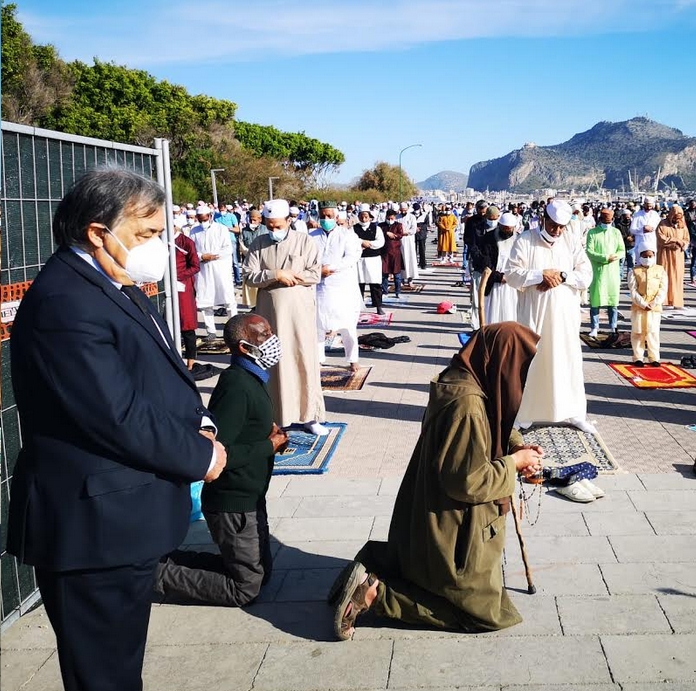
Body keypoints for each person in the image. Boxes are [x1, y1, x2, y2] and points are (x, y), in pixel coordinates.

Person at [6, 168, 226, 691]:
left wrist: (202, 422)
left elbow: (163, 371)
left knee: (121, 663)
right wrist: (199, 457)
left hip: (123, 519)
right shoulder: (66, 302)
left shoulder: (118, 284)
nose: (156, 247)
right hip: (91, 527)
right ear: (98, 233)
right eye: (145, 235)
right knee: (104, 675)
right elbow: (114, 414)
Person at [328, 324, 544, 639]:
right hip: (455, 525)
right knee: (484, 614)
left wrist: (515, 445)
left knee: (466, 590)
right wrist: (514, 463)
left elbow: (494, 418)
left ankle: (378, 571)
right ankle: (374, 595)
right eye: (517, 364)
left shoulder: (464, 376)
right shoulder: (466, 404)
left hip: (429, 508)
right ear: (500, 359)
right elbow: (468, 481)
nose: (518, 374)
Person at [155, 314, 288, 606]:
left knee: (261, 574)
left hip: (252, 497)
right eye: (264, 335)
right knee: (246, 589)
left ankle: (160, 562)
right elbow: (218, 452)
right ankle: (150, 576)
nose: (273, 340)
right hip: (233, 503)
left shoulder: (253, 378)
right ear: (243, 347)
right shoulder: (236, 386)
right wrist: (268, 445)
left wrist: (267, 436)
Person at [505, 200, 594, 434]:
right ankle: (525, 413)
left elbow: (586, 276)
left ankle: (574, 412)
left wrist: (562, 276)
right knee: (532, 360)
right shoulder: (525, 239)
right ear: (544, 219)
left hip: (564, 317)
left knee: (568, 360)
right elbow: (512, 275)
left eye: (561, 227)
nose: (556, 231)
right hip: (534, 315)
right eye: (553, 225)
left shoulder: (571, 242)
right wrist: (540, 275)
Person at [243, 199, 328, 435]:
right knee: (274, 363)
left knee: (303, 360)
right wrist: (274, 274)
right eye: (269, 226)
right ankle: (276, 416)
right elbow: (249, 275)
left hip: (299, 316)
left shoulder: (304, 242)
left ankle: (310, 416)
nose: (273, 230)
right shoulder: (258, 244)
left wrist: (291, 275)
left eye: (277, 226)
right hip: (269, 316)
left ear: (289, 221)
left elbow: (314, 274)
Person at [312, 204, 364, 371]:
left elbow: (352, 257)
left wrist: (331, 268)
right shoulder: (311, 236)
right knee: (317, 324)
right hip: (319, 285)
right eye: (322, 216)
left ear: (336, 217)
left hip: (342, 286)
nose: (325, 219)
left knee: (347, 325)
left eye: (328, 216)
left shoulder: (347, 235)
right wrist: (318, 270)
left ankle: (352, 359)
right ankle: (318, 359)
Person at [191, 203, 238, 338]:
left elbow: (227, 249)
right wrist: (202, 256)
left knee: (228, 299)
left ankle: (233, 329)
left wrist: (212, 256)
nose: (202, 222)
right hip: (203, 270)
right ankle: (210, 330)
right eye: (200, 220)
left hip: (220, 268)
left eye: (205, 219)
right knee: (205, 300)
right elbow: (192, 250)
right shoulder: (194, 231)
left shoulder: (221, 229)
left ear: (211, 216)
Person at [584, 208, 625, 337]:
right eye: (605, 220)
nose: (608, 223)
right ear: (600, 219)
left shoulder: (616, 232)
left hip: (612, 272)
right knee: (596, 300)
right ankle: (594, 327)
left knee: (613, 302)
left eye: (610, 220)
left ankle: (613, 327)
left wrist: (615, 257)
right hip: (598, 272)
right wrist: (605, 258)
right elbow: (589, 251)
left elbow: (621, 250)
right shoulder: (592, 233)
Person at [628, 241, 668, 366]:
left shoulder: (660, 270)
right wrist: (642, 303)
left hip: (654, 308)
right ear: (640, 256)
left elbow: (663, 289)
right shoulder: (634, 271)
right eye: (645, 256)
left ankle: (654, 358)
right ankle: (638, 357)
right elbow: (633, 290)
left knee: (653, 333)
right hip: (639, 307)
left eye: (650, 256)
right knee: (637, 332)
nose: (647, 258)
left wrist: (654, 303)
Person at [481, 212, 522, 325]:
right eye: (504, 229)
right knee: (493, 313)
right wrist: (499, 277)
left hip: (513, 283)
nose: (506, 231)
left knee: (511, 312)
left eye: (509, 229)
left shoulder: (519, 239)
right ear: (499, 225)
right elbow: (484, 261)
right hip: (495, 282)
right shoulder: (489, 238)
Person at [173, 224, 204, 374]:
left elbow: (195, 266)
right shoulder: (158, 242)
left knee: (187, 324)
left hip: (183, 287)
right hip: (164, 287)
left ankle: (191, 362)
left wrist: (178, 277)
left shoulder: (185, 242)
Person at [656, 204, 690, 308]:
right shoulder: (663, 224)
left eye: (679, 218)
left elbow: (687, 240)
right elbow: (661, 239)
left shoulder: (683, 225)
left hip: (678, 256)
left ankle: (676, 300)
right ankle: (664, 299)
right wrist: (676, 241)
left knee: (677, 277)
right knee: (665, 276)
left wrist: (681, 244)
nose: (677, 220)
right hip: (665, 255)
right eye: (675, 217)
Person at [354, 206, 386, 315]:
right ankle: (358, 306)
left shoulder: (376, 228)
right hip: (359, 259)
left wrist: (369, 244)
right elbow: (351, 240)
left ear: (370, 217)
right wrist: (361, 242)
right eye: (361, 217)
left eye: (366, 217)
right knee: (359, 284)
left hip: (373, 259)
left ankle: (378, 306)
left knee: (375, 284)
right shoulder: (354, 228)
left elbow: (381, 242)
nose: (363, 219)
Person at [240, 210, 266, 308]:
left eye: (254, 219)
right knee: (251, 285)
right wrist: (249, 252)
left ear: (260, 219)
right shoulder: (244, 231)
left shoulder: (265, 230)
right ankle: (253, 307)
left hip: (262, 261)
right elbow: (241, 244)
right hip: (249, 260)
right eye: (250, 219)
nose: (252, 221)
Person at [380, 208, 406, 300]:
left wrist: (393, 235)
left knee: (397, 274)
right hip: (384, 252)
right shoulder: (381, 226)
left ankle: (398, 292)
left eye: (392, 218)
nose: (390, 220)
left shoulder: (398, 225)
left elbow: (400, 235)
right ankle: (384, 291)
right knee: (384, 273)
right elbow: (378, 234)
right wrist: (386, 233)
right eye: (389, 218)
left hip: (395, 252)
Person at [398, 202, 419, 286]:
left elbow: (413, 229)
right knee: (401, 260)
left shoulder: (411, 217)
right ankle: (402, 279)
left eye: (405, 210)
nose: (403, 212)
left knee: (410, 259)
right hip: (399, 241)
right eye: (402, 210)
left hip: (409, 241)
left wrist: (405, 232)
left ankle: (410, 279)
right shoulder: (397, 217)